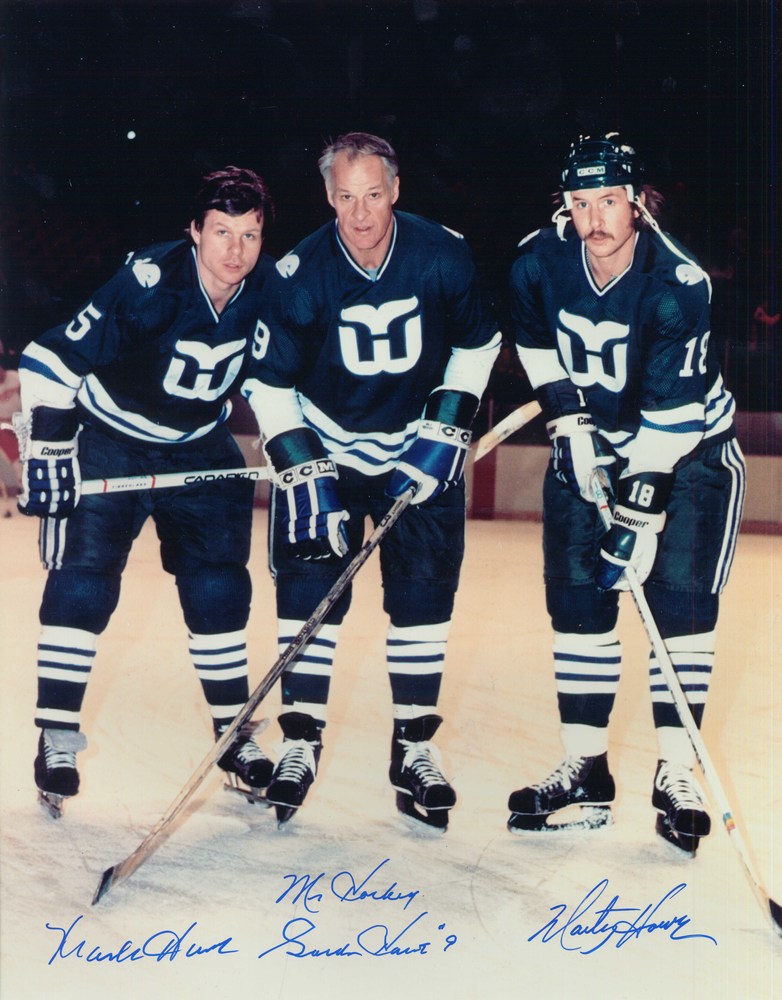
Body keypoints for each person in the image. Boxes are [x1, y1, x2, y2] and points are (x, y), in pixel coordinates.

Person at [242, 132, 501, 828]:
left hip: (415, 450)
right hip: (326, 447)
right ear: (329, 197)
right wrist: (305, 470)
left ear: (396, 191)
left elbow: (478, 344)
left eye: (374, 195)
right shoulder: (298, 274)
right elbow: (268, 385)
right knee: (308, 592)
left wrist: (445, 430)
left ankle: (414, 747)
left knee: (423, 597)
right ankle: (301, 741)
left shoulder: (442, 253)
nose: (360, 214)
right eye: (346, 197)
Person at [506, 133, 745, 855]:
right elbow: (535, 345)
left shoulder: (678, 282)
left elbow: (672, 419)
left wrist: (639, 516)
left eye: (608, 201)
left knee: (680, 610)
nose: (595, 219)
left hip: (691, 452)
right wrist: (567, 421)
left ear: (637, 203)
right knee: (578, 604)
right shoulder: (537, 260)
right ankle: (585, 768)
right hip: (592, 444)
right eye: (580, 203)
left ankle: (676, 773)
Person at [16, 166, 278, 816]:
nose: (235, 251)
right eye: (221, 232)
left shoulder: (269, 290)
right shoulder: (150, 283)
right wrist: (50, 446)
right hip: (112, 438)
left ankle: (233, 735)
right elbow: (50, 358)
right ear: (194, 231)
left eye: (249, 235)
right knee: (83, 584)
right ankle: (56, 737)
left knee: (219, 590)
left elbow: (284, 380)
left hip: (201, 446)